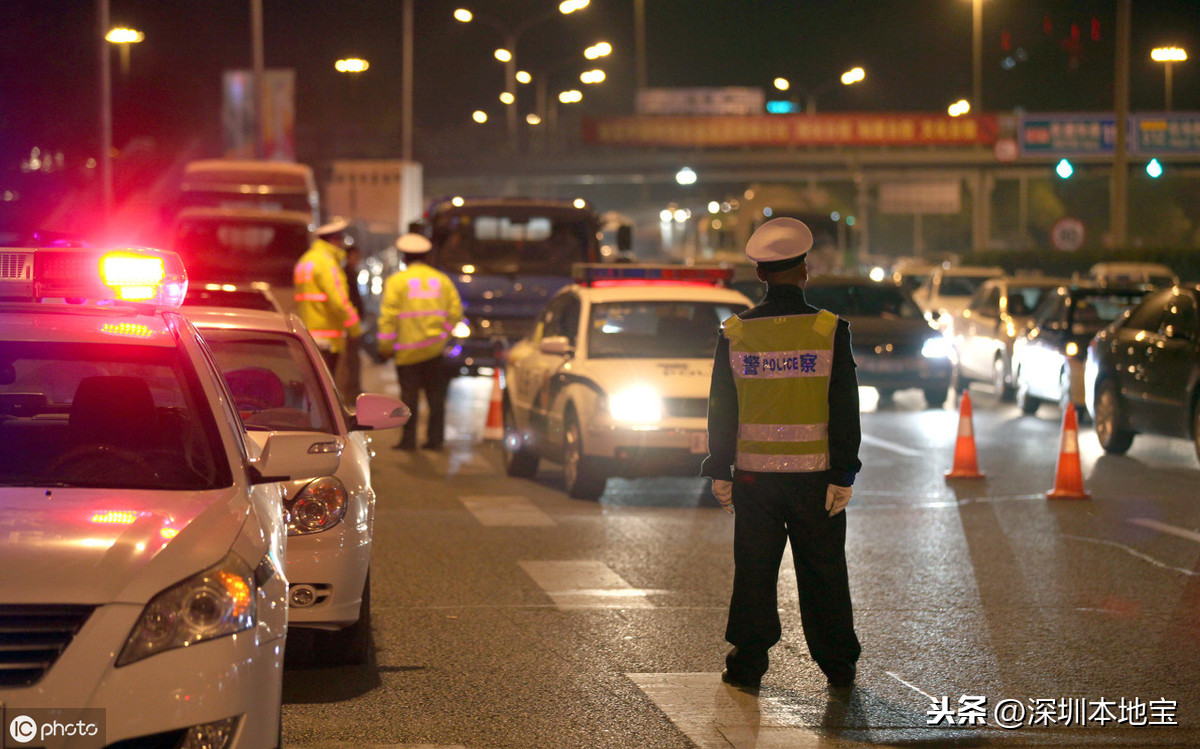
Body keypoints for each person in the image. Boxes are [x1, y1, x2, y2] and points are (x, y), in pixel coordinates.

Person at [701, 217, 863, 692]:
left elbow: (721, 407)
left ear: (760, 275)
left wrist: (719, 468)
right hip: (816, 481)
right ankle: (839, 665)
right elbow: (844, 406)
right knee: (825, 573)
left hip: (755, 480)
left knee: (754, 572)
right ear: (805, 271)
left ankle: (747, 663)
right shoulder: (830, 330)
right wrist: (843, 471)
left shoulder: (735, 333)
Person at [377, 232, 463, 451]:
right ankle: (435, 440)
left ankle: (408, 440)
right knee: (436, 397)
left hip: (407, 353)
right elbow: (455, 313)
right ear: (427, 256)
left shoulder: (396, 282)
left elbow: (388, 318)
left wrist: (385, 347)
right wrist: (442, 335)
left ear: (405, 257)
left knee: (408, 399)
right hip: (435, 351)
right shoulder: (442, 280)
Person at [294, 217, 362, 374]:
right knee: (327, 389)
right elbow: (339, 301)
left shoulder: (305, 260)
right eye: (341, 240)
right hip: (327, 339)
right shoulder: (327, 264)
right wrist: (355, 328)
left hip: (308, 334)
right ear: (334, 240)